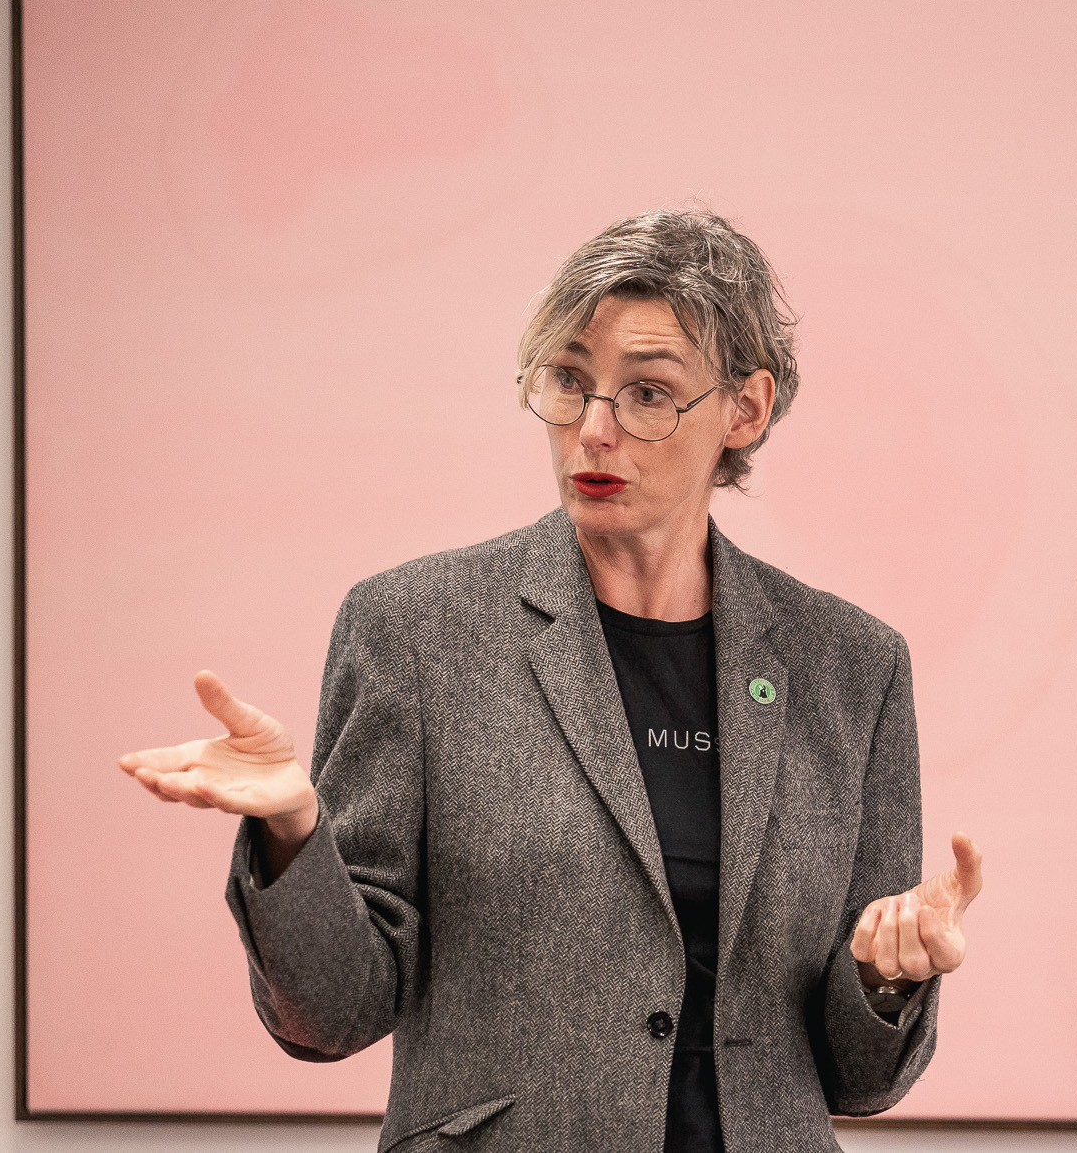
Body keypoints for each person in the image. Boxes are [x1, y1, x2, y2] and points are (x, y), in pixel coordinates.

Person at [116, 208, 983, 1153]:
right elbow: (332, 1012)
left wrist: (887, 975)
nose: (594, 429)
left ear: (746, 408)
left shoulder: (850, 665)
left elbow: (861, 1077)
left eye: (649, 393)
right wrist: (295, 834)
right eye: (569, 382)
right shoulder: (416, 628)